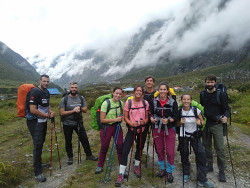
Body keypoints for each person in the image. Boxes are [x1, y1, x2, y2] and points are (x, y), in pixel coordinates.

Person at [177, 94, 214, 188]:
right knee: (184, 154)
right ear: (181, 100)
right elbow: (176, 124)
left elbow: (202, 121)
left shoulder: (195, 110)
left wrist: (200, 123)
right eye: (184, 99)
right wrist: (180, 122)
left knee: (201, 155)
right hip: (183, 135)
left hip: (195, 135)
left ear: (190, 100)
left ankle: (202, 179)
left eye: (188, 99)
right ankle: (186, 173)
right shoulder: (179, 111)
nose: (186, 101)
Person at [115, 85, 149, 187]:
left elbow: (147, 118)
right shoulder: (128, 102)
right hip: (131, 129)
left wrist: (144, 122)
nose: (138, 92)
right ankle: (121, 173)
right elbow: (125, 117)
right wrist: (131, 124)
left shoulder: (145, 103)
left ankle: (136, 166)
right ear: (134, 92)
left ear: (142, 93)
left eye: (140, 91)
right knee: (126, 149)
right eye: (137, 91)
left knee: (139, 148)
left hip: (142, 129)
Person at [200, 74, 230, 182]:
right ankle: (210, 165)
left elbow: (227, 109)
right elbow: (202, 107)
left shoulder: (221, 94)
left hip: (217, 124)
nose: (209, 84)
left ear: (215, 83)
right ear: (205, 83)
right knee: (206, 146)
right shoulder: (202, 94)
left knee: (220, 149)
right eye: (208, 82)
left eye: (212, 82)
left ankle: (222, 170)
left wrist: (226, 117)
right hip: (206, 124)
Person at [59, 82, 98, 165]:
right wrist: (73, 110)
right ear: (69, 88)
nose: (74, 89)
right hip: (67, 123)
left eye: (75, 87)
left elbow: (85, 109)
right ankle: (70, 157)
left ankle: (89, 155)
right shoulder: (64, 99)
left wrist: (79, 108)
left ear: (77, 88)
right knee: (68, 140)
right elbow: (61, 112)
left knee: (84, 139)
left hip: (78, 122)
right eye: (72, 87)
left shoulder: (81, 97)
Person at [26, 75, 55, 182]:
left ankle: (39, 163)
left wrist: (50, 112)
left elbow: (47, 104)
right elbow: (32, 110)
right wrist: (46, 115)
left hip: (42, 121)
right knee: (37, 145)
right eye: (44, 81)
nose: (46, 83)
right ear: (40, 81)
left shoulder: (46, 92)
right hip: (34, 122)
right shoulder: (34, 92)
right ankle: (37, 172)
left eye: (48, 81)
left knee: (41, 142)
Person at [150, 82, 178, 183]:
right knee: (160, 150)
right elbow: (150, 112)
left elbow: (176, 115)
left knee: (170, 152)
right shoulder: (154, 101)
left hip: (169, 128)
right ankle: (163, 169)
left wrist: (169, 120)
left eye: (164, 89)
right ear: (158, 90)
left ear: (167, 91)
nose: (162, 91)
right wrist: (151, 118)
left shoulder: (173, 102)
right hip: (157, 128)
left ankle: (169, 171)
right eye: (160, 89)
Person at [95, 87, 124, 174]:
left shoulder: (120, 103)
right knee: (104, 147)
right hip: (106, 128)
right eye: (116, 93)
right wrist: (115, 119)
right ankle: (100, 165)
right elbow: (102, 120)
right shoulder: (105, 103)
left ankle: (122, 166)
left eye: (120, 94)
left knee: (120, 146)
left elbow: (122, 113)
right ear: (112, 93)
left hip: (117, 127)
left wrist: (121, 117)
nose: (118, 95)